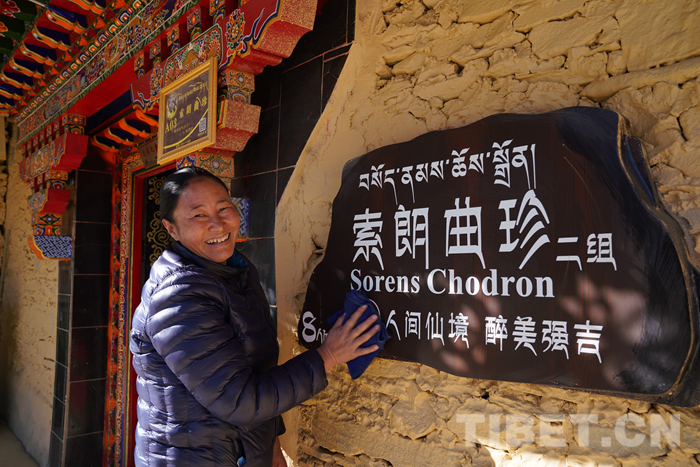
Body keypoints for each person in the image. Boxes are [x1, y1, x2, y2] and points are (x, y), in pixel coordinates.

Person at [130, 167, 380, 467]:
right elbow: (239, 400)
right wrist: (328, 355)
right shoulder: (178, 297)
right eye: (198, 215)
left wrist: (271, 444)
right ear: (171, 229)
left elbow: (255, 369)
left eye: (223, 208)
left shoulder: (236, 273)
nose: (218, 224)